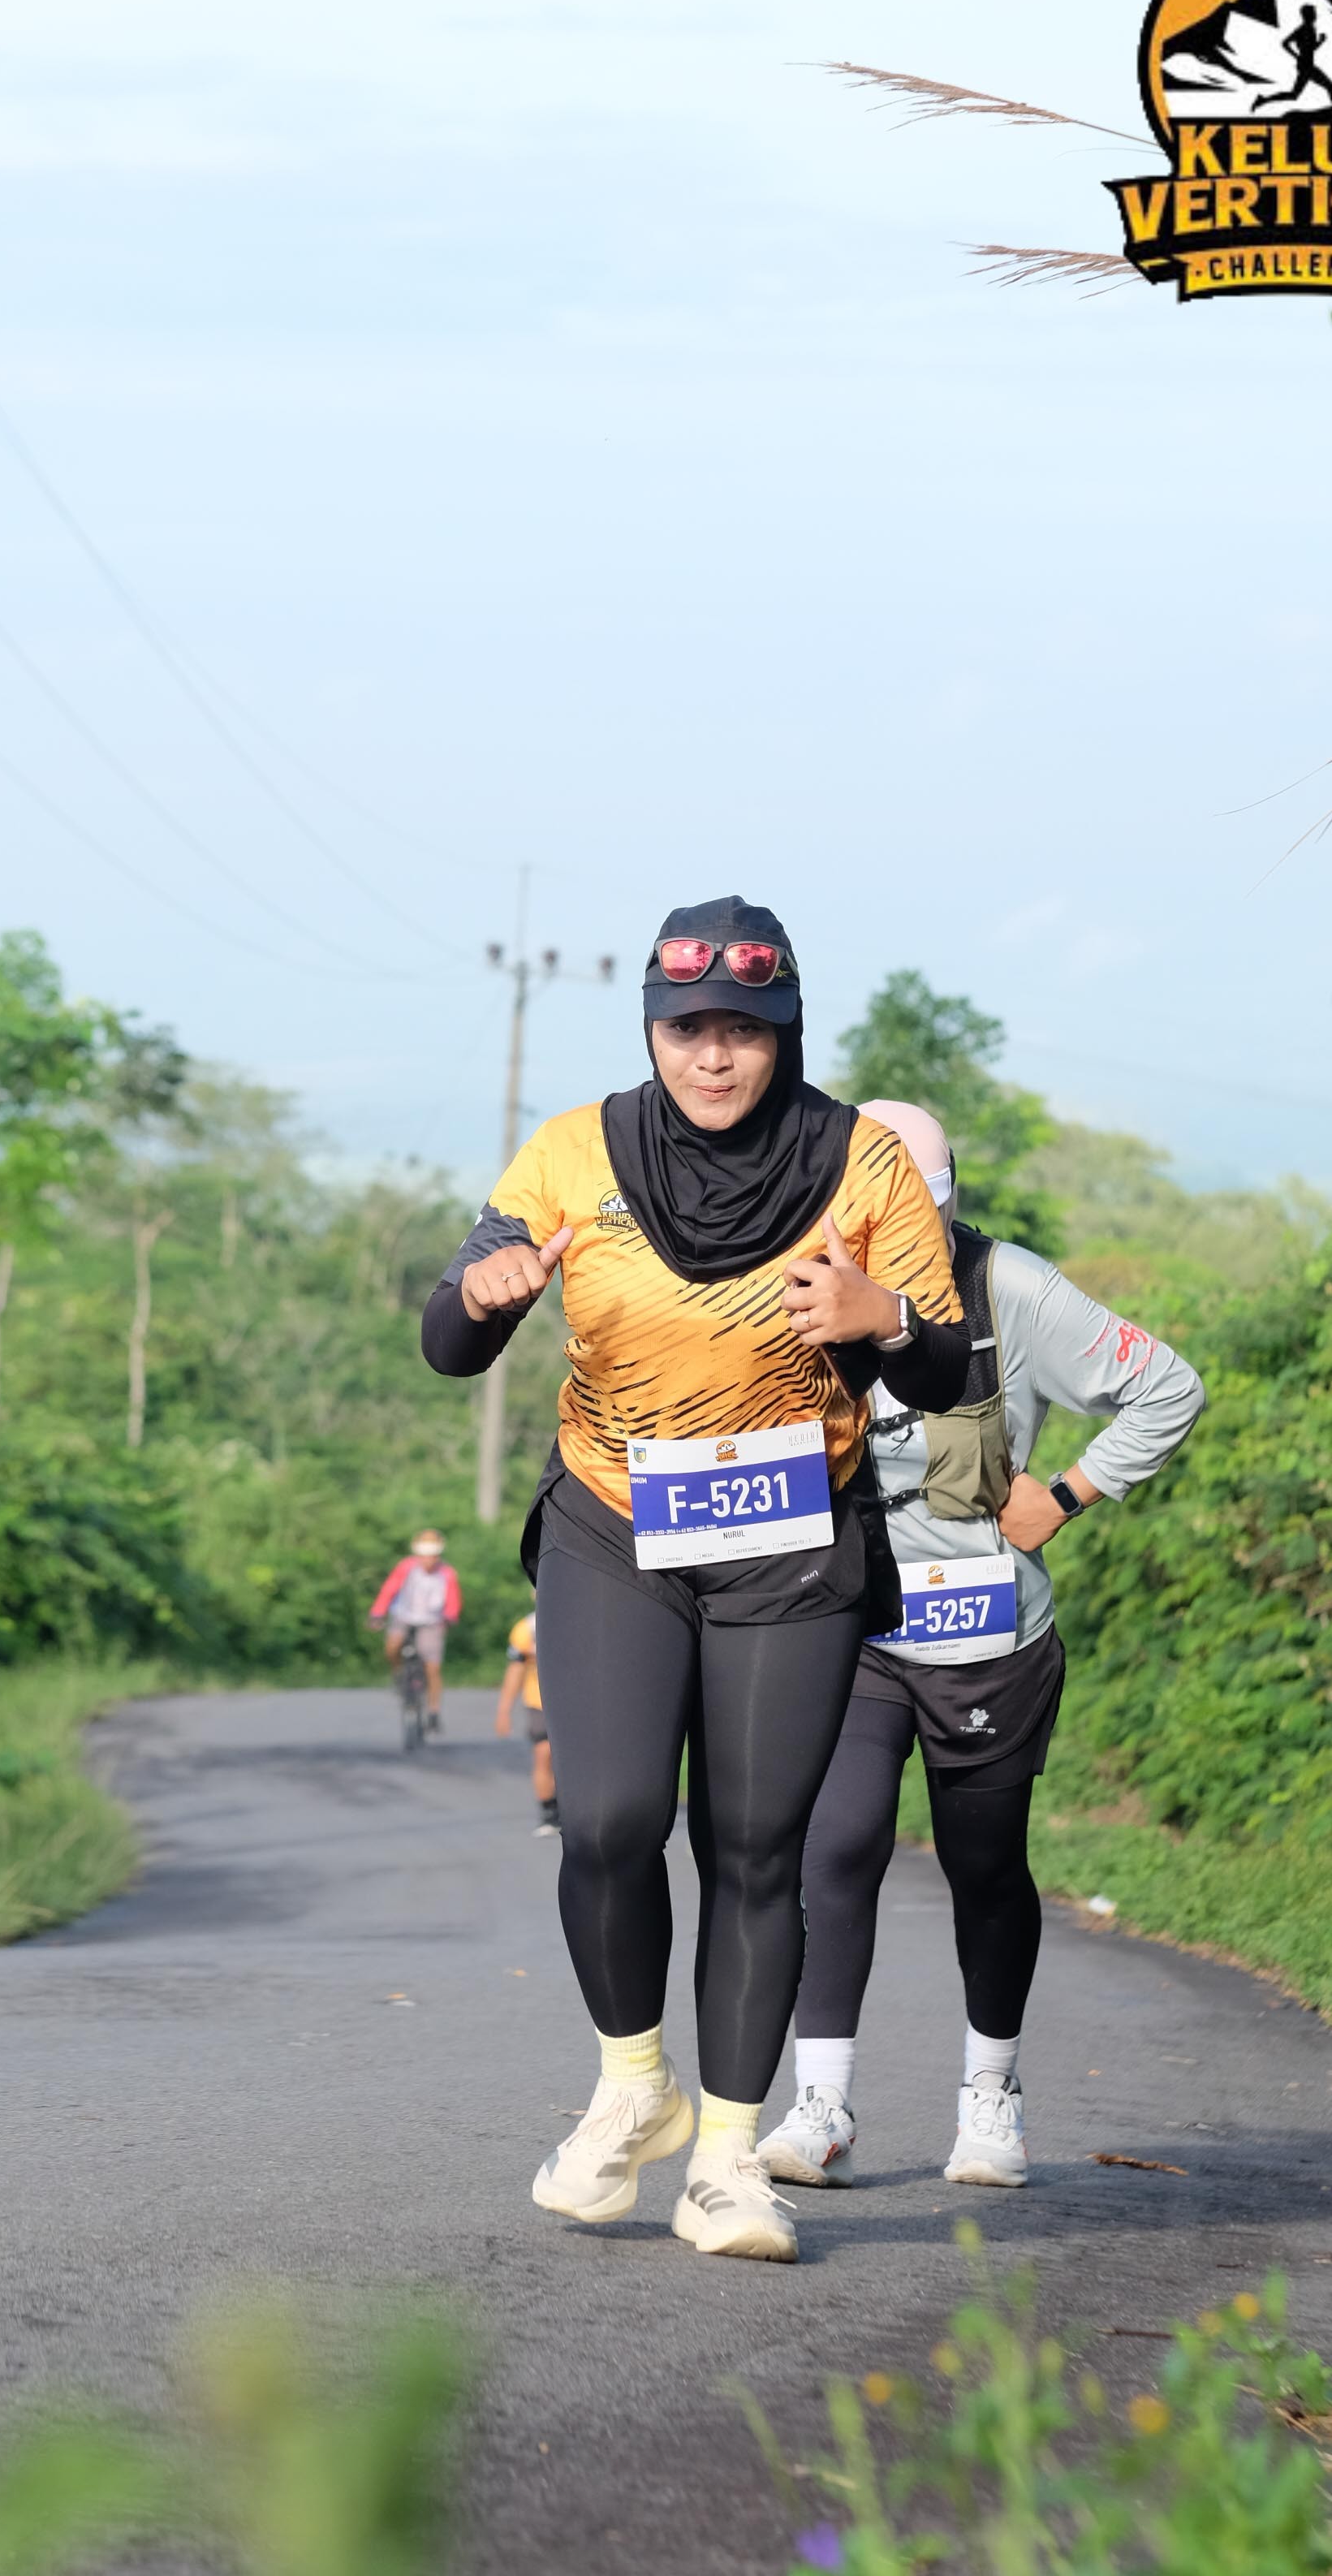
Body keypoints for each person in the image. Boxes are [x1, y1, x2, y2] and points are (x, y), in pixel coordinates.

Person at [421, 898, 970, 2263]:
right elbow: (448, 1338)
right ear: (651, 1032)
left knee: (751, 1849)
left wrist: (883, 1317)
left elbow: (944, 1366)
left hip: (791, 1540)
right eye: (685, 1030)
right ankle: (633, 2086)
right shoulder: (573, 1151)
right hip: (616, 1521)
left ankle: (728, 2159)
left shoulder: (862, 1165)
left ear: (785, 1033)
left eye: (741, 1031)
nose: (711, 1057)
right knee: (607, 1820)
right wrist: (480, 1297)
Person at [759, 1099, 1205, 2195]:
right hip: (852, 1619)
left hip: (987, 1634)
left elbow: (1168, 1388)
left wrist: (1067, 1494)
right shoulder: (788, 1281)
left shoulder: (1010, 1290)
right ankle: (820, 2107)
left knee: (986, 1866)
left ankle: (991, 2096)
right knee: (836, 1845)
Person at [368, 1530, 461, 1733]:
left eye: (432, 1555)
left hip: (432, 1622)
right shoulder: (406, 1567)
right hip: (404, 1616)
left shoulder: (447, 1573)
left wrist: (450, 1616)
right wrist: (377, 1613)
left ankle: (434, 1712)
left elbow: (452, 1600)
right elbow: (389, 1590)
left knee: (432, 1667)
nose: (428, 1559)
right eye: (424, 1554)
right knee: (392, 1646)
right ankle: (398, 1674)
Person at [495, 1607, 559, 1836]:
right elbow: (515, 1671)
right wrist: (504, 1711)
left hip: (577, 1701)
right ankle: (549, 1811)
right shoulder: (526, 1629)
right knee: (543, 1754)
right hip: (539, 1701)